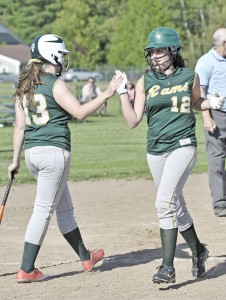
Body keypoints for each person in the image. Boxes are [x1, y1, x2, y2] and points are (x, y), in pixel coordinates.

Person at [7, 34, 123, 283]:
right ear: (53, 56)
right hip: (54, 153)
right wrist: (107, 93)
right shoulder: (55, 84)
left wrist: (14, 160)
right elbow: (80, 112)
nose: (63, 59)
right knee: (43, 210)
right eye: (62, 55)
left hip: (32, 154)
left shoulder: (23, 86)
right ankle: (27, 269)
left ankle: (86, 256)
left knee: (64, 208)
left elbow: (19, 128)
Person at [115, 27, 225, 284]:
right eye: (152, 51)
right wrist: (122, 93)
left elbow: (196, 102)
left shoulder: (189, 76)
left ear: (173, 51)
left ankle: (167, 267)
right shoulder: (146, 81)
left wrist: (211, 103)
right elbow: (133, 120)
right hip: (155, 149)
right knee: (175, 205)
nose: (155, 55)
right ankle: (199, 251)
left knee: (164, 203)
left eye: (160, 50)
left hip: (183, 145)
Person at [195, 28, 226, 217]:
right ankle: (220, 202)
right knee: (217, 159)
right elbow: (200, 94)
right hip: (216, 114)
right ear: (224, 44)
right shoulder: (206, 62)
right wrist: (206, 118)